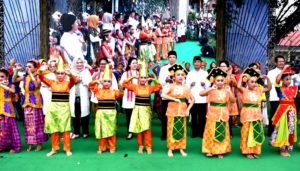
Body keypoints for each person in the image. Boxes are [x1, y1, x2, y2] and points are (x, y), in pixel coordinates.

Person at [38, 57, 77, 157]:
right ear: (55, 74)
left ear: (64, 74)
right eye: (58, 73)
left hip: (64, 108)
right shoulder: (52, 83)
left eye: (62, 73)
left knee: (66, 129)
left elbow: (74, 79)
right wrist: (41, 69)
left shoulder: (68, 84)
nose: (60, 75)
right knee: (54, 129)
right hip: (53, 108)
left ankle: (67, 148)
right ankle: (54, 148)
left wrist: (70, 73)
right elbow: (41, 77)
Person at [122, 62, 162, 154]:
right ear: (139, 78)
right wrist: (132, 77)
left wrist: (153, 79)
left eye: (145, 78)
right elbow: (124, 84)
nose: (143, 80)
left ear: (146, 79)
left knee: (147, 129)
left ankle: (148, 146)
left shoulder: (150, 88)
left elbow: (159, 86)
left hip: (146, 111)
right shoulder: (135, 87)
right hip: (137, 110)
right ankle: (140, 146)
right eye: (141, 78)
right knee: (139, 129)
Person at [12, 60, 48, 152]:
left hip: (35, 101)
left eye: (30, 66)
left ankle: (39, 144)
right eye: (27, 66)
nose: (28, 68)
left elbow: (36, 85)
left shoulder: (38, 76)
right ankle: (30, 143)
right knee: (28, 124)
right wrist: (16, 70)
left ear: (35, 68)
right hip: (26, 101)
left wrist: (31, 75)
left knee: (37, 123)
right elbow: (13, 80)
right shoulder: (24, 77)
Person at [200, 68, 235, 159]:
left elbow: (233, 100)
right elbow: (201, 93)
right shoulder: (212, 89)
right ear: (214, 81)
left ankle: (220, 150)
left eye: (221, 80)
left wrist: (229, 91)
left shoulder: (227, 89)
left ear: (224, 81)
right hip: (212, 113)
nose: (220, 82)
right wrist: (211, 88)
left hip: (223, 113)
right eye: (218, 80)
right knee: (211, 131)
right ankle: (209, 150)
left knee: (221, 131)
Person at [161, 64, 195, 157]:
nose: (180, 77)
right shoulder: (170, 86)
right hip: (172, 110)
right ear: (174, 77)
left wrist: (188, 109)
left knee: (181, 129)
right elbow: (163, 95)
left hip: (183, 110)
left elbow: (193, 99)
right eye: (178, 75)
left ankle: (181, 148)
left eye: (182, 75)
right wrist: (174, 99)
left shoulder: (186, 87)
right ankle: (170, 148)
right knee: (171, 129)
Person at [237, 67, 271, 159]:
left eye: (255, 82)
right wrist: (242, 76)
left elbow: (268, 88)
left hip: (256, 114)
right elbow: (238, 86)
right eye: (251, 82)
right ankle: (247, 151)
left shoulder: (259, 90)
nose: (254, 84)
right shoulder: (245, 90)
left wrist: (267, 78)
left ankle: (255, 150)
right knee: (247, 132)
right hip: (247, 114)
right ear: (247, 83)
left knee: (257, 132)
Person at [89, 64, 123, 154]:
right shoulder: (98, 90)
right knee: (101, 130)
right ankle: (101, 147)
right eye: (105, 81)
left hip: (111, 113)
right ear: (102, 82)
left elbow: (121, 94)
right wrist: (97, 80)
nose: (107, 83)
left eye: (108, 81)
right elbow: (90, 85)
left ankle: (112, 146)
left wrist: (121, 87)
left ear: (111, 83)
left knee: (111, 130)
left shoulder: (114, 92)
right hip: (101, 113)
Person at [269, 65, 298, 157]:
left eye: (290, 79)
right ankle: (281, 148)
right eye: (286, 79)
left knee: (290, 129)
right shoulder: (280, 89)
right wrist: (284, 69)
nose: (289, 81)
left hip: (291, 111)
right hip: (283, 111)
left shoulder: (293, 89)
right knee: (282, 129)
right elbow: (277, 81)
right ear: (282, 80)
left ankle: (286, 146)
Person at [186, 56, 209, 138]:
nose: (197, 63)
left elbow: (209, 85)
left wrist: (205, 84)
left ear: (201, 63)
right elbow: (186, 85)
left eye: (199, 62)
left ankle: (202, 133)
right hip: (193, 99)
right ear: (193, 63)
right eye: (195, 62)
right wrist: (190, 84)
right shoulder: (190, 73)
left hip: (202, 99)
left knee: (202, 117)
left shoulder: (205, 73)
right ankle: (194, 133)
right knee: (194, 117)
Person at [70, 57, 92, 139]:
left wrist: (82, 79)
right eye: (77, 63)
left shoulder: (86, 72)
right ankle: (76, 132)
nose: (79, 64)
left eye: (81, 63)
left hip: (83, 95)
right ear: (74, 63)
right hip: (73, 96)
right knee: (75, 113)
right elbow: (68, 82)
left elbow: (90, 82)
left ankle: (85, 132)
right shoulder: (71, 72)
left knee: (84, 113)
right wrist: (75, 80)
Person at [0, 69, 22, 153]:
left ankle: (12, 146)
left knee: (9, 128)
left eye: (2, 76)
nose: (0, 78)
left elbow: (13, 91)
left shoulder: (10, 85)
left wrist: (2, 85)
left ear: (7, 77)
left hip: (8, 108)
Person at [158, 51, 177, 140]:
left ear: (176, 58)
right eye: (170, 57)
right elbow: (159, 83)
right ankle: (164, 134)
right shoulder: (163, 69)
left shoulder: (179, 68)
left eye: (173, 57)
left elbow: (183, 82)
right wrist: (166, 80)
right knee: (165, 115)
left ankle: (174, 133)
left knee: (175, 116)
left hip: (176, 96)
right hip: (166, 96)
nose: (172, 59)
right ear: (168, 58)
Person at [119, 57, 139, 140]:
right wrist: (131, 77)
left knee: (138, 114)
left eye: (136, 63)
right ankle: (130, 132)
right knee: (129, 115)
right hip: (128, 97)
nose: (135, 64)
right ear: (130, 65)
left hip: (138, 96)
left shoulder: (140, 73)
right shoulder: (125, 74)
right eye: (133, 63)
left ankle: (138, 130)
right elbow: (121, 84)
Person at [267, 55, 285, 136]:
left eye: (283, 61)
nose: (282, 63)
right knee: (274, 115)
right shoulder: (271, 72)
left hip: (286, 99)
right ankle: (271, 132)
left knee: (284, 116)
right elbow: (268, 85)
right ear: (276, 63)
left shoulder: (288, 72)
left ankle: (282, 132)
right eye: (280, 61)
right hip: (275, 98)